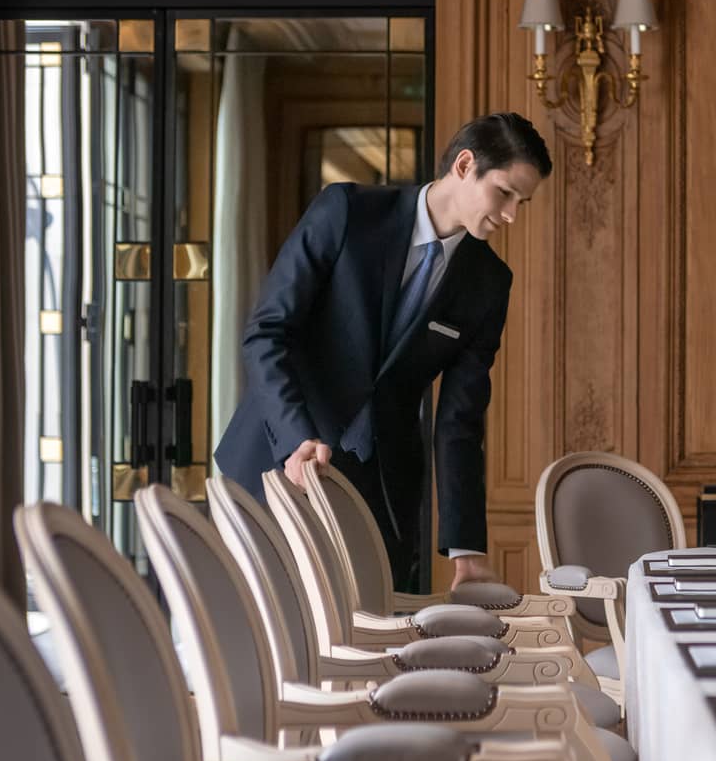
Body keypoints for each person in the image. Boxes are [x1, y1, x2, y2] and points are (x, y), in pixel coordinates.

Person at [214, 112, 552, 591]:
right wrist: (296, 438)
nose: (512, 214)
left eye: (524, 202)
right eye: (504, 193)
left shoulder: (489, 284)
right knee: (254, 645)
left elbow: (459, 418)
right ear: (463, 165)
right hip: (275, 460)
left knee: (369, 651)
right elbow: (267, 333)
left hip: (382, 496)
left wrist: (467, 550)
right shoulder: (347, 212)